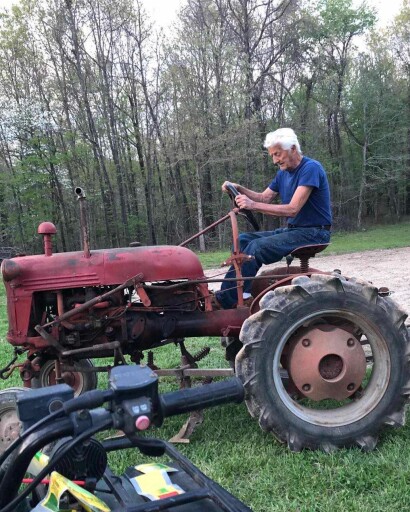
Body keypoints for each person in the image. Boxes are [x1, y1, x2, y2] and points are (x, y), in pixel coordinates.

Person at [214, 127, 332, 309]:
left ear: (292, 148)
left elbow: (292, 209)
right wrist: (239, 188)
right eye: (272, 156)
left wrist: (251, 205)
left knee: (256, 248)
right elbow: (264, 197)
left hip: (314, 232)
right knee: (243, 240)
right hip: (296, 230)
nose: (275, 160)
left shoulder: (311, 168)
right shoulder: (283, 173)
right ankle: (233, 294)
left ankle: (231, 300)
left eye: (278, 154)